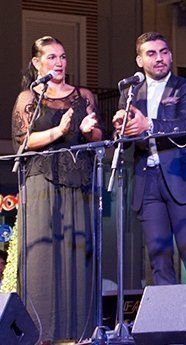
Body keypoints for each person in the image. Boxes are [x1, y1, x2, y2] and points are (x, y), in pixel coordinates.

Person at [11, 35, 102, 342]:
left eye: (62, 57)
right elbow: (22, 142)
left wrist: (89, 131)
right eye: (51, 58)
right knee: (43, 257)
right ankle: (39, 333)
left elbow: (98, 135)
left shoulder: (83, 95)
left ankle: (82, 332)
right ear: (37, 63)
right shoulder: (29, 98)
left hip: (79, 180)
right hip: (41, 182)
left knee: (77, 254)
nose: (59, 63)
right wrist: (59, 131)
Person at [112, 32, 186, 285]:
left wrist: (149, 125)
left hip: (183, 178)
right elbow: (128, 142)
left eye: (164, 52)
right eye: (151, 53)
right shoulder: (131, 93)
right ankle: (169, 323)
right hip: (148, 182)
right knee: (159, 255)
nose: (159, 58)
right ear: (139, 60)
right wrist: (120, 130)